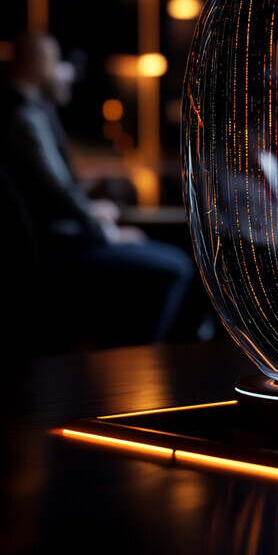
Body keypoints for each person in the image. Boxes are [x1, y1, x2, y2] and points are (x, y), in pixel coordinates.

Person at [0, 30, 196, 349]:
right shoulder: (26, 118)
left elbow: (52, 192)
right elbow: (60, 197)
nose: (69, 73)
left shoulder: (24, 114)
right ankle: (144, 362)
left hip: (62, 243)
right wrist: (109, 234)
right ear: (39, 64)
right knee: (178, 266)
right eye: (59, 62)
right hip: (62, 250)